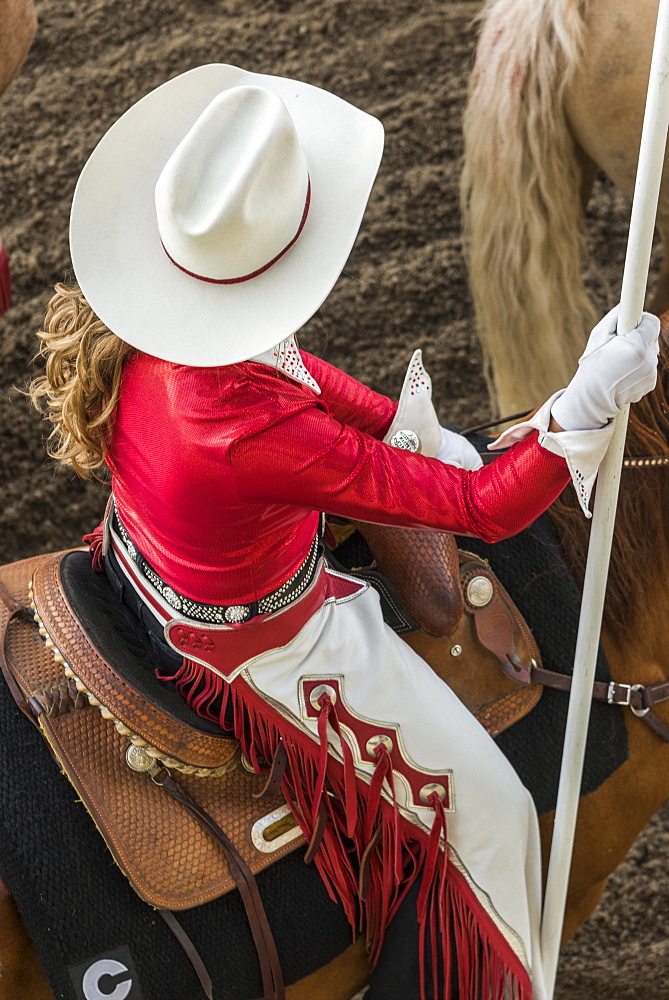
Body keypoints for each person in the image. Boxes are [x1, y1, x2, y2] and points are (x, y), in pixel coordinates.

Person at [29, 64, 659, 1000]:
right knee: (486, 825)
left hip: (148, 563)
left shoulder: (159, 324)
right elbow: (484, 511)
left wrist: (429, 437)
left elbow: (320, 388)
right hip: (261, 645)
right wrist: (576, 412)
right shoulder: (248, 427)